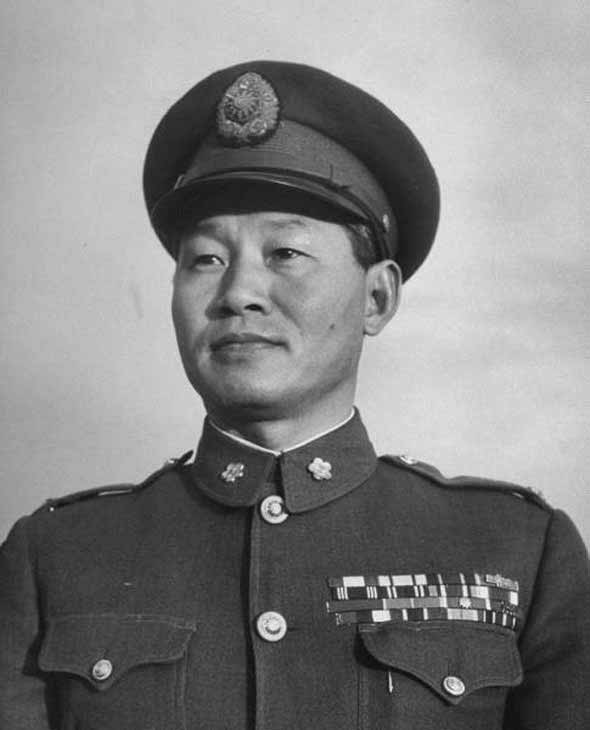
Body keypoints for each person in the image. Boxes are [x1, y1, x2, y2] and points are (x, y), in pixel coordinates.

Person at [1, 60, 589, 730]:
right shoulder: (54, 558)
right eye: (206, 259)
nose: (238, 294)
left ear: (377, 297)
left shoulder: (517, 550)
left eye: (284, 253)